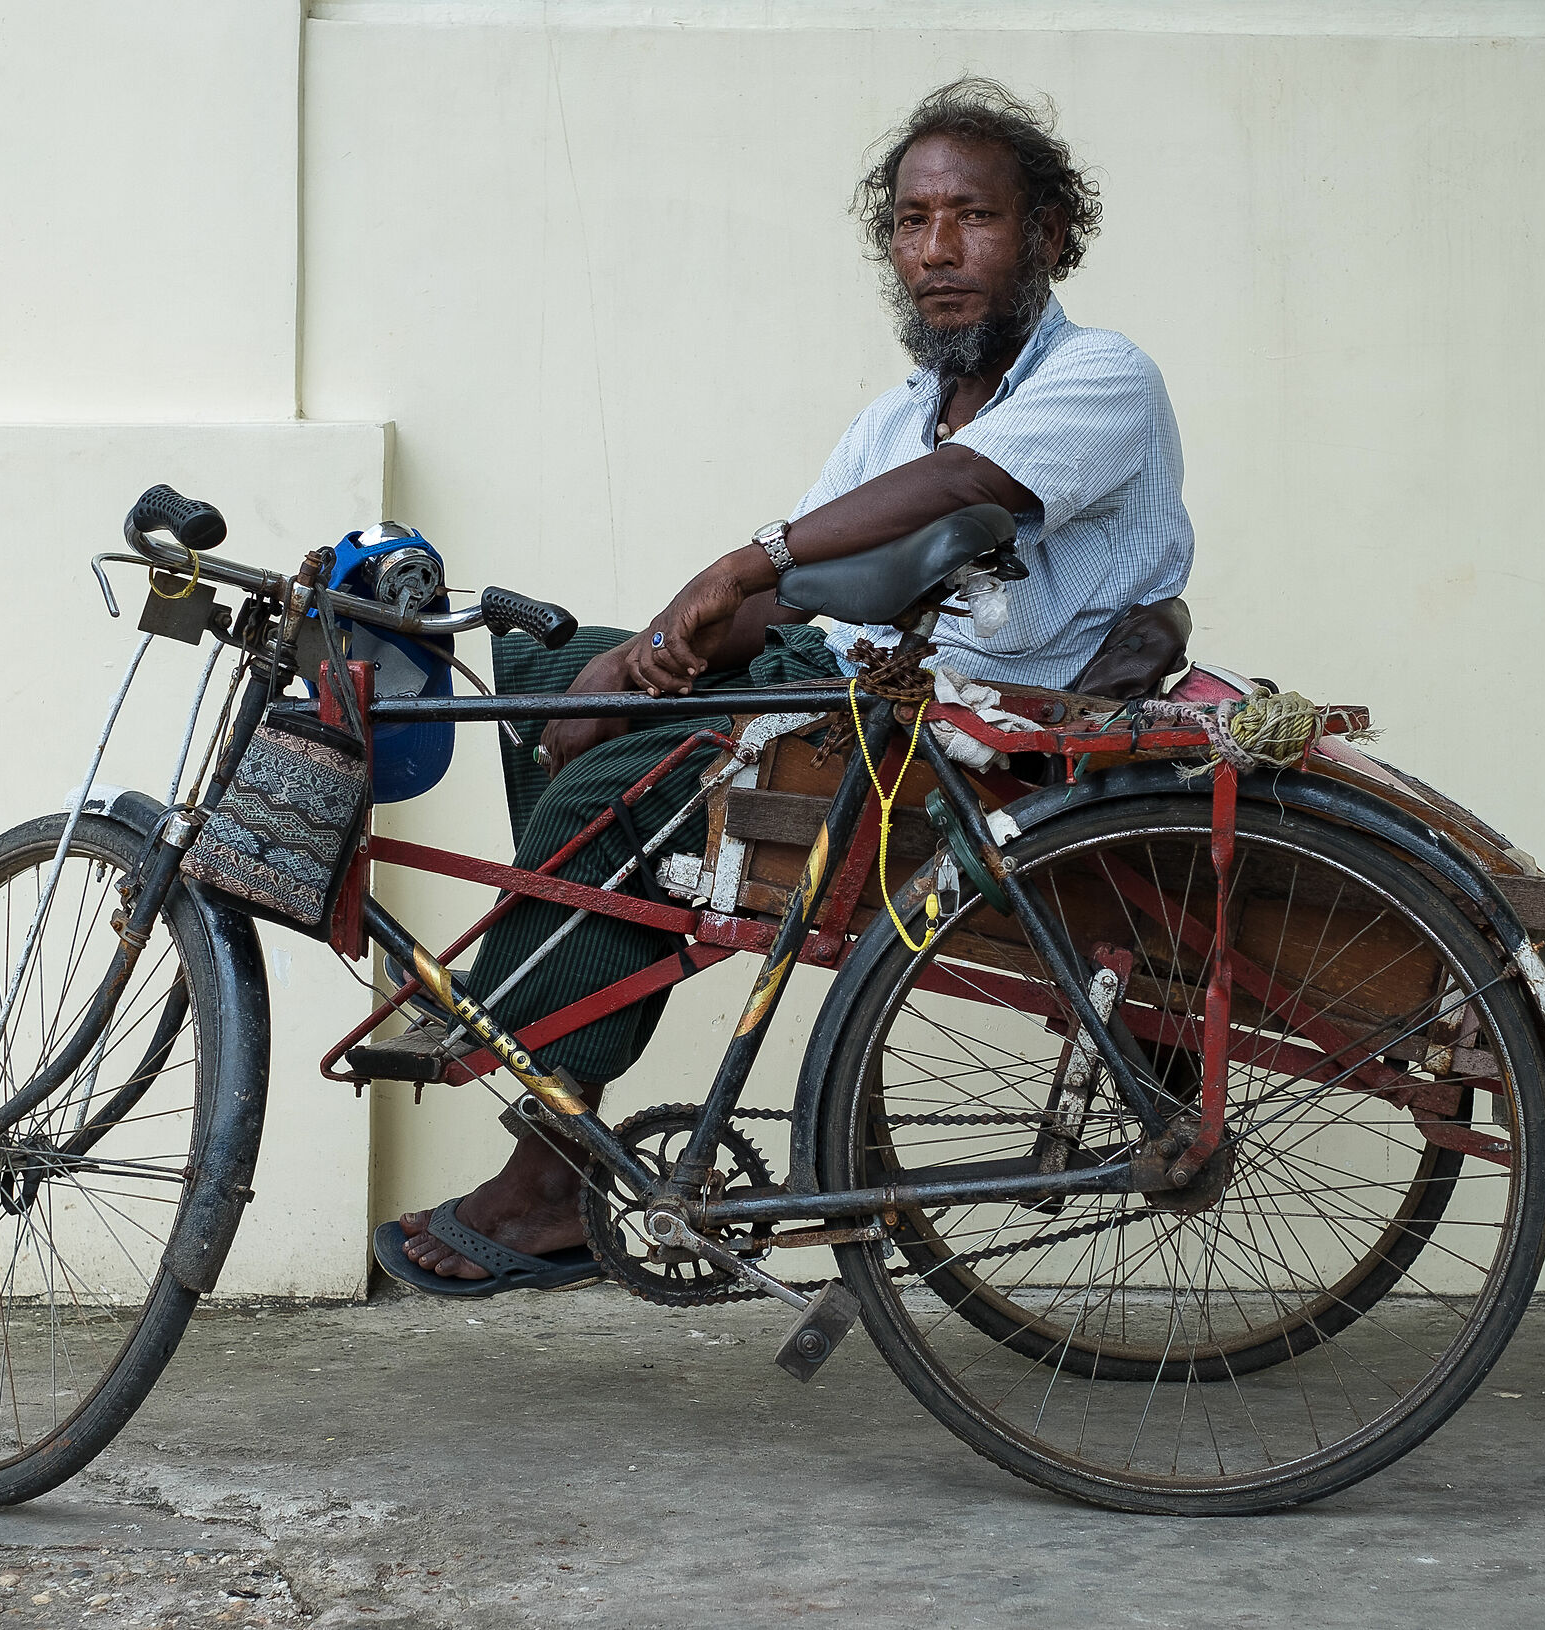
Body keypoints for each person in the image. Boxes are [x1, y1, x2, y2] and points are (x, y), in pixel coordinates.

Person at [378, 76, 1196, 1292]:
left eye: (972, 217)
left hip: (969, 715)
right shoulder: (901, 414)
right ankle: (548, 987)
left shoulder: (1101, 377)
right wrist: (661, 641)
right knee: (539, 675)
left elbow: (950, 495)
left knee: (629, 791)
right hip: (862, 671)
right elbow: (813, 579)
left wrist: (740, 568)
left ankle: (552, 1162)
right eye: (912, 224)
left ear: (1048, 236)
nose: (939, 251)